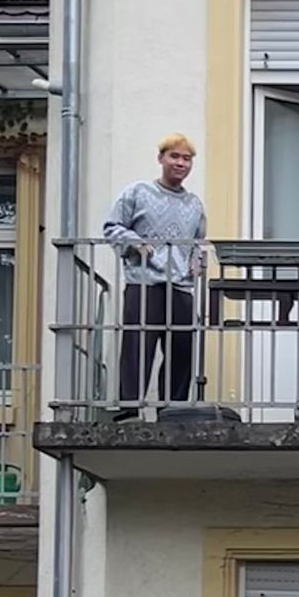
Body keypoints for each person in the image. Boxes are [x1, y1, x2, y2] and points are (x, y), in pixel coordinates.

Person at [103, 136, 206, 411]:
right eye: (175, 156)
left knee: (182, 347)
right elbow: (112, 227)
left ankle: (173, 409)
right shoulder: (137, 192)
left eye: (186, 159)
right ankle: (130, 408)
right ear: (161, 159)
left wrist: (197, 260)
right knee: (138, 345)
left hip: (181, 285)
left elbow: (197, 241)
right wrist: (134, 242)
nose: (180, 163)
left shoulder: (194, 204)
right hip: (144, 281)